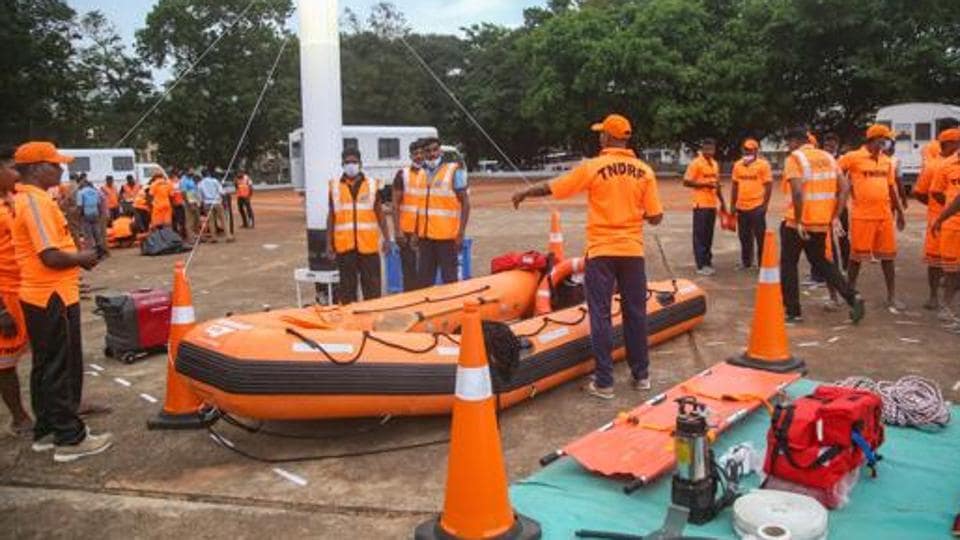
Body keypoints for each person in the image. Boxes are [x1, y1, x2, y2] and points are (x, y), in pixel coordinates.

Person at [513, 114, 663, 399]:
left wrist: (525, 191)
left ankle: (605, 382)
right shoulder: (644, 171)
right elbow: (656, 217)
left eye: (601, 134)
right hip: (632, 253)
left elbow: (555, 186)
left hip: (601, 253)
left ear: (607, 137)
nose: (599, 138)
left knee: (601, 315)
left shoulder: (594, 167)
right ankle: (641, 375)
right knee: (635, 315)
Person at [11, 141, 111, 462]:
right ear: (36, 168)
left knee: (46, 366)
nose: (61, 168)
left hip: (47, 295)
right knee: (60, 367)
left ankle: (48, 430)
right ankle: (70, 438)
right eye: (55, 164)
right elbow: (50, 256)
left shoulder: (34, 199)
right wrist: (82, 257)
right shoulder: (34, 203)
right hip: (50, 295)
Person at [779, 127, 865, 324]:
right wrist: (834, 216)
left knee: (789, 265)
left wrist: (799, 220)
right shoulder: (828, 157)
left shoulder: (794, 159)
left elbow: (798, 193)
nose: (788, 147)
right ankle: (852, 296)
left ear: (795, 141)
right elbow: (844, 188)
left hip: (796, 223)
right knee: (822, 262)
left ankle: (793, 312)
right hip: (821, 222)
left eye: (789, 142)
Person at [838, 125, 906, 312]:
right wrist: (841, 193)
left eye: (887, 140)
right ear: (874, 139)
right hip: (862, 216)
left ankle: (891, 296)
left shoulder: (886, 161)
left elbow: (891, 188)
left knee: (888, 257)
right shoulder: (852, 157)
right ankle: (849, 293)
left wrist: (900, 212)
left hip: (884, 216)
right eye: (883, 139)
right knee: (856, 258)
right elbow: (836, 174)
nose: (886, 143)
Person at [325, 148, 390, 303]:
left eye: (354, 161)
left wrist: (387, 239)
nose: (351, 165)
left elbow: (380, 214)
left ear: (360, 164)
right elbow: (331, 216)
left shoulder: (372, 185)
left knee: (372, 289)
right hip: (345, 246)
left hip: (368, 246)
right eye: (347, 162)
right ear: (342, 164)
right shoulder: (335, 187)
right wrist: (329, 243)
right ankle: (350, 323)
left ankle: (372, 319)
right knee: (347, 291)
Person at [0, 147, 32, 437]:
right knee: (5, 363)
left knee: (51, 353)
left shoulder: (17, 201)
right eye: (11, 168)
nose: (17, 173)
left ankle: (70, 402)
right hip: (6, 295)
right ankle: (19, 416)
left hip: (31, 290)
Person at [914, 128, 960, 310]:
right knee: (935, 261)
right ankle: (934, 297)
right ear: (949, 144)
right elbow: (923, 193)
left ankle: (945, 300)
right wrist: (944, 209)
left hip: (949, 218)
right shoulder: (936, 165)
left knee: (953, 264)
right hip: (940, 220)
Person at [416, 137, 470, 287]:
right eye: (428, 151)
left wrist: (460, 233)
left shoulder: (454, 171)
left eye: (435, 150)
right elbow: (420, 207)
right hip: (425, 238)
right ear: (423, 153)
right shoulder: (421, 174)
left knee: (449, 279)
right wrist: (416, 233)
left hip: (446, 238)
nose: (432, 154)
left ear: (440, 151)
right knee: (424, 281)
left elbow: (465, 203)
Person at [683, 138, 726, 275]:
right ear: (702, 149)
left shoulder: (714, 164)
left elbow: (716, 184)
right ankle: (701, 265)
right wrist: (705, 185)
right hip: (700, 204)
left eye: (711, 149)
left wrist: (723, 202)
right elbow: (686, 182)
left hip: (712, 204)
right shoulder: (696, 163)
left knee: (709, 235)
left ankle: (708, 262)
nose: (709, 151)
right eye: (706, 149)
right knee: (700, 235)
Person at [730, 138, 772, 269]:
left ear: (756, 150)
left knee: (760, 237)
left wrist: (764, 205)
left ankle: (762, 263)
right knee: (744, 237)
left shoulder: (763, 165)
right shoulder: (737, 165)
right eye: (746, 149)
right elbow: (735, 185)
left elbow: (769, 185)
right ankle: (746, 262)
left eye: (751, 149)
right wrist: (733, 204)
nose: (748, 152)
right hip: (742, 207)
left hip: (757, 207)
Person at [930, 146, 960, 326]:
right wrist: (942, 218)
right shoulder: (946, 166)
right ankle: (946, 306)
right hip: (953, 225)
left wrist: (941, 218)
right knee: (952, 270)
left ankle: (946, 307)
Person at [392, 139, 426, 291]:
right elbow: (395, 204)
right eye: (415, 153)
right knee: (409, 270)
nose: (419, 156)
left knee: (426, 271)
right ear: (411, 156)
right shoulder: (402, 174)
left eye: (421, 153)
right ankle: (410, 301)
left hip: (425, 231)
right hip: (406, 231)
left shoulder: (430, 174)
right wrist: (397, 230)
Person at [198, 169, 232, 243]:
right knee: (223, 219)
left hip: (207, 203)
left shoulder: (200, 184)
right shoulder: (214, 181)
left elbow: (200, 196)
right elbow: (221, 192)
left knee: (211, 221)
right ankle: (228, 236)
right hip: (216, 202)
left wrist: (202, 204)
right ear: (208, 174)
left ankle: (214, 237)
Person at [75, 179, 106, 258]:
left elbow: (80, 206)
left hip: (86, 215)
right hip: (95, 214)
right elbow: (99, 204)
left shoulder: (81, 192)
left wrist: (78, 216)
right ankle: (100, 253)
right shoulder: (95, 191)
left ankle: (91, 254)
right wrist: (100, 214)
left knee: (88, 235)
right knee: (97, 234)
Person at [179, 168, 199, 243]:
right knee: (189, 220)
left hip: (194, 200)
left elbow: (194, 190)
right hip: (189, 202)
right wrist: (188, 203)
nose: (193, 172)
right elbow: (183, 193)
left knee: (196, 219)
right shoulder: (183, 180)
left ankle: (195, 236)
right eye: (191, 170)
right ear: (187, 171)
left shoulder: (191, 179)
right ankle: (190, 238)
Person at [170, 170, 186, 238]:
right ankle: (180, 235)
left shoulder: (170, 183)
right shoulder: (171, 183)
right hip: (176, 204)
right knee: (179, 220)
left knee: (178, 220)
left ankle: (180, 234)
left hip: (177, 204)